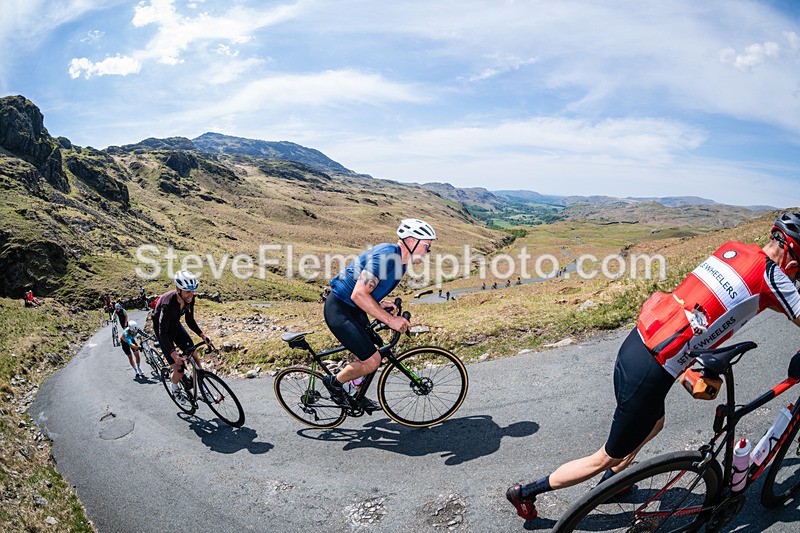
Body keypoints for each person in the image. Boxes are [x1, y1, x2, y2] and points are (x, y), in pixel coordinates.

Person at [507, 212, 800, 521]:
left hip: (636, 344)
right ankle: (526, 492)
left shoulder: (732, 248)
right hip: (652, 371)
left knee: (654, 423)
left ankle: (614, 482)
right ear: (793, 262)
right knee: (604, 456)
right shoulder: (774, 276)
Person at [322, 218, 436, 410]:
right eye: (427, 246)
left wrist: (381, 304)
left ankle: (356, 393)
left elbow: (365, 287)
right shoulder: (387, 257)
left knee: (375, 350)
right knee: (372, 360)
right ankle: (334, 383)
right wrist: (390, 320)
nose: (428, 251)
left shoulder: (400, 262)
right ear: (411, 241)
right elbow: (358, 294)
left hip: (354, 308)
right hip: (340, 309)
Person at [152, 271, 214, 405]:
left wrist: (202, 335)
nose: (191, 294)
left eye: (193, 291)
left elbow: (189, 320)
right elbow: (162, 332)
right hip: (163, 332)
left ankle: (202, 389)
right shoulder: (168, 304)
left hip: (175, 325)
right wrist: (173, 354)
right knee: (179, 370)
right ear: (178, 289)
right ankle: (174, 388)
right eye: (188, 292)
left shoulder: (189, 299)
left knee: (194, 354)